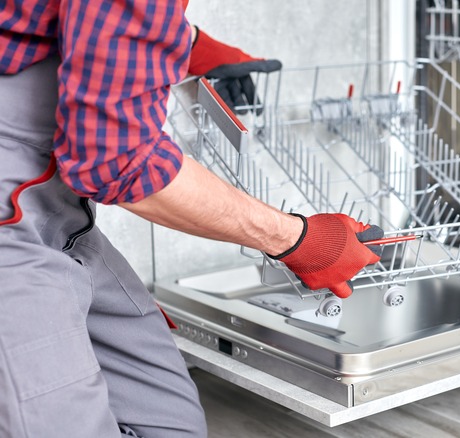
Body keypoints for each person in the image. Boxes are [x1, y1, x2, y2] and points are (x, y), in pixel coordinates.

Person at [0, 1, 382, 436]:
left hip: (53, 205)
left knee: (170, 425)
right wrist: (297, 240)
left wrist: (186, 43)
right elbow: (118, 160)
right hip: (11, 209)